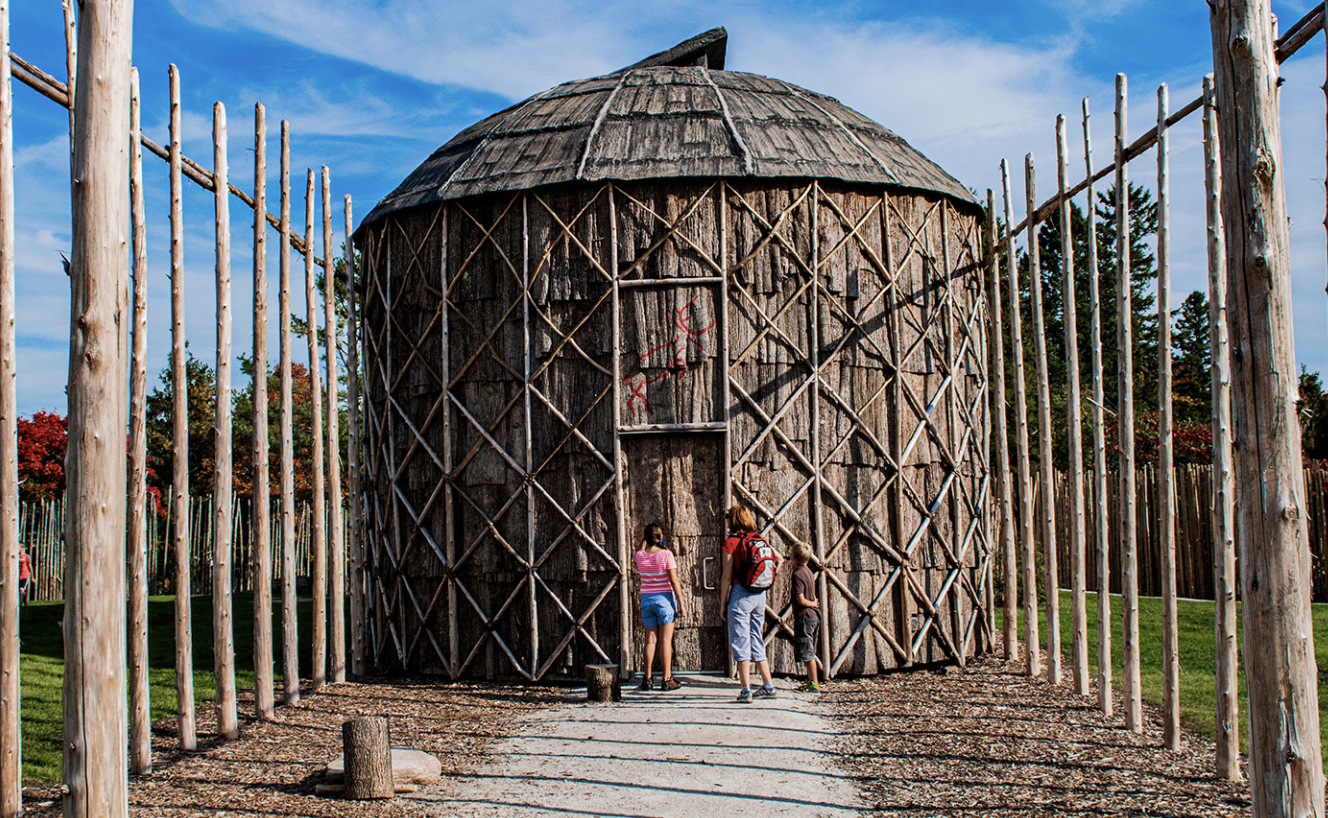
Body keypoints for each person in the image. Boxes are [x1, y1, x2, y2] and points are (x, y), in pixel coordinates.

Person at [720, 504, 781, 704]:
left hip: (740, 594)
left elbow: (727, 577)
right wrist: (763, 579)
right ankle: (768, 685)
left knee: (740, 640)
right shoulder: (758, 538)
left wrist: (723, 603)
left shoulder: (731, 542)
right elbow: (779, 559)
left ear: (732, 521)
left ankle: (746, 690)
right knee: (756, 637)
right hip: (759, 595)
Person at [635, 523, 686, 691]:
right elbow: (674, 580)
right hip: (664, 600)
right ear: (660, 537)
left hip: (647, 601)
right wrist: (681, 602)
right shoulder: (666, 555)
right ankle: (666, 679)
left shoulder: (640, 556)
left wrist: (646, 540)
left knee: (650, 640)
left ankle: (647, 679)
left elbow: (641, 547)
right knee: (665, 641)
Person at [789, 542, 821, 692]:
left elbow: (801, 599)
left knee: (808, 652)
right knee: (810, 649)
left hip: (805, 616)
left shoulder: (797, 574)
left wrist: (812, 604)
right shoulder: (808, 571)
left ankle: (814, 684)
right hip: (812, 616)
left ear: (793, 557)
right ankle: (810, 681)